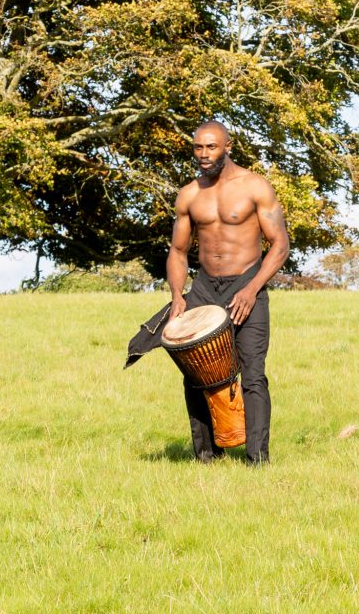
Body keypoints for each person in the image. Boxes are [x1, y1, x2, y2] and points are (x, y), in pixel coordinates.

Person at [125, 119, 289, 464]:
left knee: (253, 374)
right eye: (198, 147)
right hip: (202, 287)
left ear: (228, 147)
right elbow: (178, 251)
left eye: (211, 146)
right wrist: (178, 295)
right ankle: (206, 456)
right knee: (195, 373)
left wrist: (252, 288)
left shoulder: (255, 187)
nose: (203, 153)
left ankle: (257, 459)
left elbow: (280, 246)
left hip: (246, 283)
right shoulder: (189, 194)